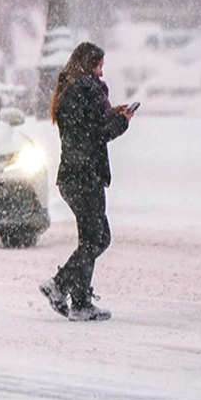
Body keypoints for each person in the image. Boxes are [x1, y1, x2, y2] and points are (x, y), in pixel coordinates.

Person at [39, 42, 133, 322]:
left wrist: (112, 112)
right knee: (98, 238)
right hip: (86, 177)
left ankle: (80, 302)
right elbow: (96, 135)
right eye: (99, 66)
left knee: (91, 239)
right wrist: (122, 122)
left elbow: (86, 127)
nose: (102, 73)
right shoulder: (86, 91)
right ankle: (59, 284)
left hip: (72, 176)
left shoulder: (71, 91)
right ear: (89, 65)